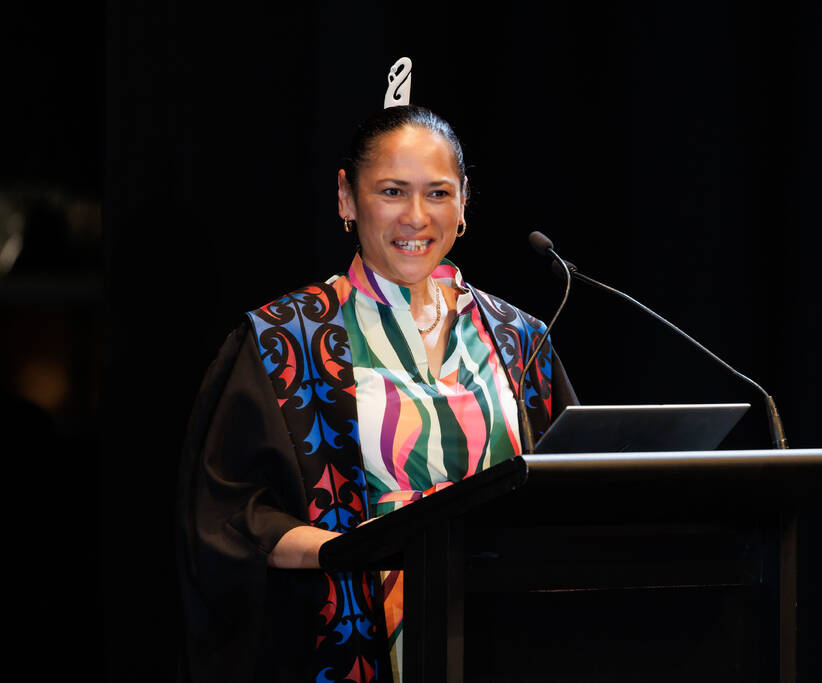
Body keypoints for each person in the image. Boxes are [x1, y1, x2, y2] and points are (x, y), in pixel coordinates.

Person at [177, 70, 577, 683]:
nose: (415, 217)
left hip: (508, 635)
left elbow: (571, 491)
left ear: (464, 201)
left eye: (438, 193)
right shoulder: (285, 340)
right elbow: (234, 518)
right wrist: (355, 549)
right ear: (346, 197)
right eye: (392, 191)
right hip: (355, 641)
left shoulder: (518, 338)